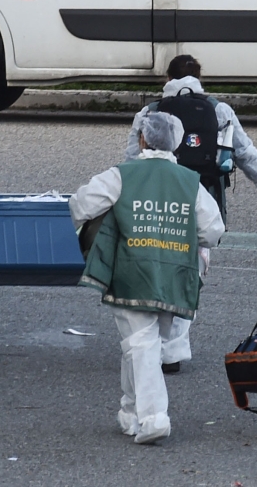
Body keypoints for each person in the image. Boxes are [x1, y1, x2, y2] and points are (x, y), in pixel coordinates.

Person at [70, 111, 225, 444]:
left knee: (140, 344)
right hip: (175, 275)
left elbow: (79, 206)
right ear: (177, 142)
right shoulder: (190, 181)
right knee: (141, 345)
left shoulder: (121, 175)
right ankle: (130, 412)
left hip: (131, 270)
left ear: (142, 139)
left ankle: (154, 417)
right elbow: (213, 230)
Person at [125, 54, 257, 373]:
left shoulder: (150, 112)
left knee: (155, 269)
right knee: (189, 273)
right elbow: (248, 156)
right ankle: (173, 350)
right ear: (199, 77)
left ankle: (151, 343)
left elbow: (131, 161)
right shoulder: (219, 110)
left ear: (167, 78)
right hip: (201, 200)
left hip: (157, 201)